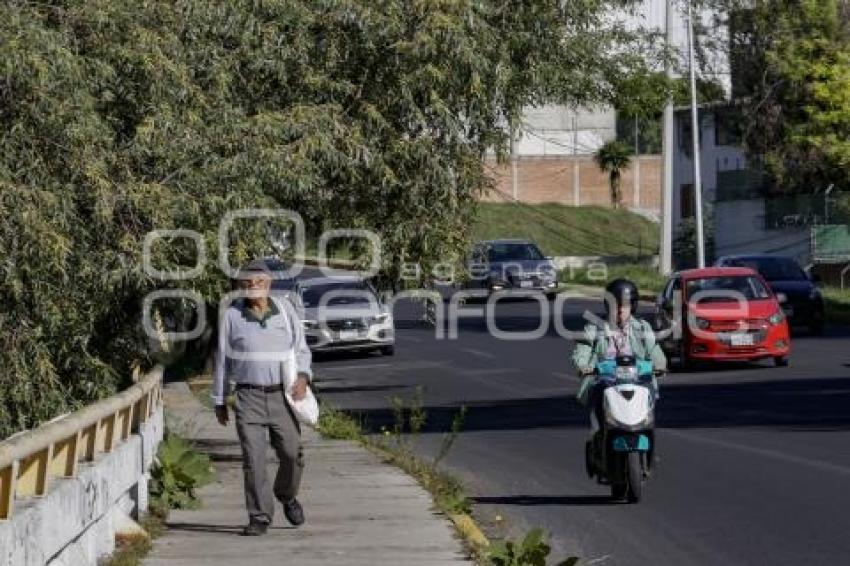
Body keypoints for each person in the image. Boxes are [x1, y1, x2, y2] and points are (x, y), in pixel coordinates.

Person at [212, 259, 313, 536]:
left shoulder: (285, 309)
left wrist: (303, 378)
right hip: (248, 397)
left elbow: (302, 349)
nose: (253, 287)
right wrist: (219, 399)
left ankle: (287, 496)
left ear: (268, 284)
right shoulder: (231, 315)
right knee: (253, 459)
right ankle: (259, 516)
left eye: (258, 282)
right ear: (240, 286)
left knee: (292, 454)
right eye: (246, 283)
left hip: (283, 395)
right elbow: (222, 359)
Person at [571, 278, 667, 437]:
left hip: (637, 383)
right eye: (617, 306)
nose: (621, 310)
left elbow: (655, 350)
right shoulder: (594, 328)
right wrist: (583, 366)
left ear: (633, 306)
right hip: (606, 383)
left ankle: (647, 439)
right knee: (598, 401)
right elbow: (583, 349)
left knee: (649, 403)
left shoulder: (643, 328)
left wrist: (659, 365)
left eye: (626, 305)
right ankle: (598, 437)